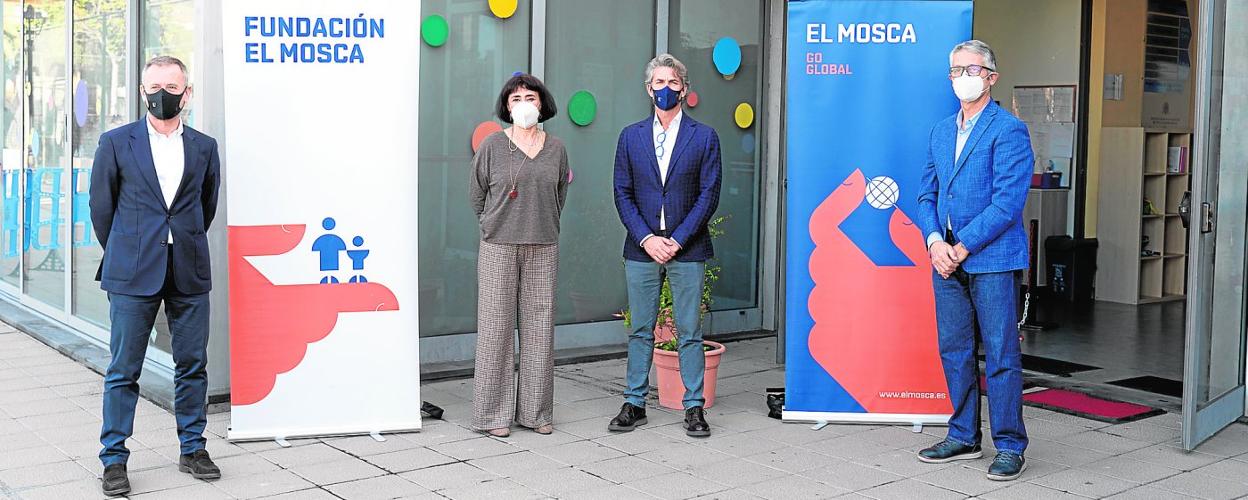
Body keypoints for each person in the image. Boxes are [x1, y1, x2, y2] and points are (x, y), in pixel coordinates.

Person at [90, 55, 222, 497]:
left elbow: (205, 207)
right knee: (123, 369)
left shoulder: (204, 147)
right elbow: (101, 209)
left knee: (192, 366)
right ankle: (113, 459)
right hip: (131, 273)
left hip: (187, 269)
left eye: (170, 86)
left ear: (187, 93)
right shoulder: (115, 142)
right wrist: (129, 250)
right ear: (142, 91)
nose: (160, 94)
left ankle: (193, 448)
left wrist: (178, 242)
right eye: (153, 87)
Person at [915, 40, 1033, 481]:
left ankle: (1009, 444)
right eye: (955, 70)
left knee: (1001, 353)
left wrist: (960, 247)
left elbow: (1007, 203)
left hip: (991, 259)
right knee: (955, 350)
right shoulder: (941, 131)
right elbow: (926, 193)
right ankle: (963, 434)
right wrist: (934, 242)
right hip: (944, 259)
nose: (962, 76)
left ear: (991, 77)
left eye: (971, 68)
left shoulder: (1009, 130)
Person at [609, 54, 722, 437]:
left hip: (686, 248)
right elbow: (622, 193)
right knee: (640, 329)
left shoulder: (704, 136)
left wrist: (675, 239)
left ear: (684, 89)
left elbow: (708, 195)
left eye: (673, 82)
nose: (665, 89)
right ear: (648, 89)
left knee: (689, 330)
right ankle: (634, 403)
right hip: (641, 247)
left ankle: (694, 408)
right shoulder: (630, 136)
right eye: (659, 82)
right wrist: (647, 238)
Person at [469, 73, 569, 438]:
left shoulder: (556, 148)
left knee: (540, 329)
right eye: (516, 99)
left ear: (542, 103)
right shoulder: (493, 146)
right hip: (499, 245)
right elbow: (477, 195)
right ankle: (492, 415)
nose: (524, 104)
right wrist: (492, 225)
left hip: (543, 244)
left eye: (530, 96)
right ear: (506, 106)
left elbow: (559, 195)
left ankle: (536, 412)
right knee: (496, 328)